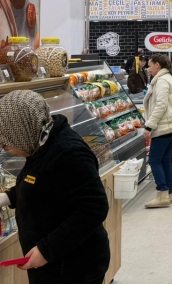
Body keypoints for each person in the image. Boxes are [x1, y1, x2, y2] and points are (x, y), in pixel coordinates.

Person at [0, 90, 110, 283]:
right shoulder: (39, 144)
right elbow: (40, 182)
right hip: (52, 263)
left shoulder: (69, 153)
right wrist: (7, 197)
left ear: (22, 129)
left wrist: (46, 250)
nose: (4, 147)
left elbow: (94, 208)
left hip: (73, 266)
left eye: (6, 140)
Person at [143, 54, 172, 208]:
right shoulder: (169, 78)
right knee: (165, 160)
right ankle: (169, 194)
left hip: (164, 127)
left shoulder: (162, 80)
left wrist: (149, 125)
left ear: (157, 65)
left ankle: (162, 193)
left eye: (150, 66)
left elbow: (161, 105)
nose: (148, 69)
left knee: (154, 160)